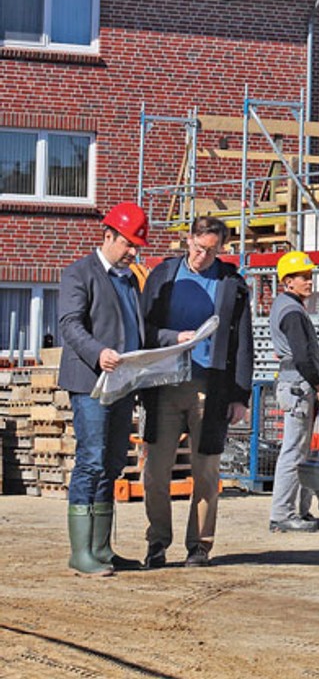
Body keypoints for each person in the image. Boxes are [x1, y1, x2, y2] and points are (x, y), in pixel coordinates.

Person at [140, 216, 253, 568]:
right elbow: (143, 328)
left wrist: (240, 395)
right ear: (188, 240)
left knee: (205, 472)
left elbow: (243, 341)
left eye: (212, 251)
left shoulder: (231, 283)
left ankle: (199, 546)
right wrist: (173, 338)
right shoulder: (163, 275)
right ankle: (157, 542)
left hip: (210, 388)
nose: (203, 256)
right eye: (199, 248)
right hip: (163, 386)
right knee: (155, 472)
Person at [57, 202, 150, 576]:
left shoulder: (129, 280)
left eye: (136, 247)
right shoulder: (79, 274)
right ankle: (81, 552)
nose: (132, 253)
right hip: (91, 384)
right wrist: (99, 353)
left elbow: (137, 329)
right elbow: (70, 324)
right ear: (108, 235)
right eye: (128, 244)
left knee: (111, 463)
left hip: (122, 384)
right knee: (92, 460)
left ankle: (101, 548)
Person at [268, 251, 319, 532]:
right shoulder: (292, 311)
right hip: (298, 386)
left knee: (303, 451)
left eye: (310, 276)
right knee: (294, 451)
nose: (309, 281)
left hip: (295, 384)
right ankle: (282, 515)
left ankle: (301, 511)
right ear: (288, 281)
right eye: (303, 277)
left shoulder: (287, 306)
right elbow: (302, 356)